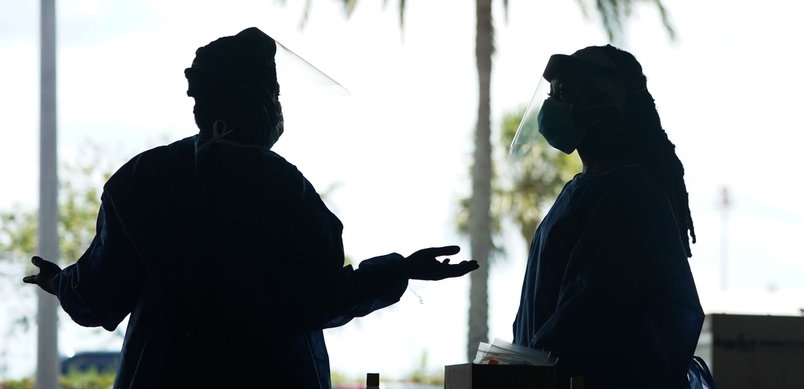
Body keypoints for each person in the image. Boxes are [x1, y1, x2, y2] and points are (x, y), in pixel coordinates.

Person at [24, 27, 478, 389]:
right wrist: (401, 270)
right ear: (255, 101)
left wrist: (60, 282)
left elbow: (99, 296)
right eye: (274, 93)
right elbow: (319, 300)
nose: (279, 105)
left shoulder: (140, 180)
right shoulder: (285, 188)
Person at [511, 45, 703, 389]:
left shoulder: (628, 196)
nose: (553, 105)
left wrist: (524, 369)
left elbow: (591, 311)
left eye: (566, 93)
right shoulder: (586, 190)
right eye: (552, 93)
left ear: (608, 105)